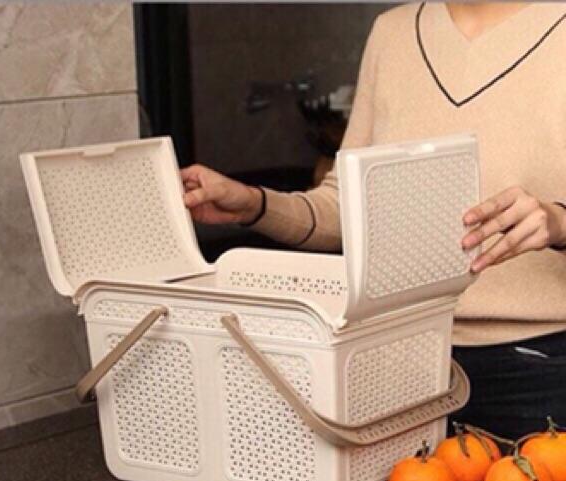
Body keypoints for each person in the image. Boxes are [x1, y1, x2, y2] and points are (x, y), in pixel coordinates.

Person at [180, 2, 566, 440]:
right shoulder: (392, 33)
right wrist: (254, 204)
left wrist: (559, 222)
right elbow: (346, 207)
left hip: (540, 368)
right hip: (393, 363)